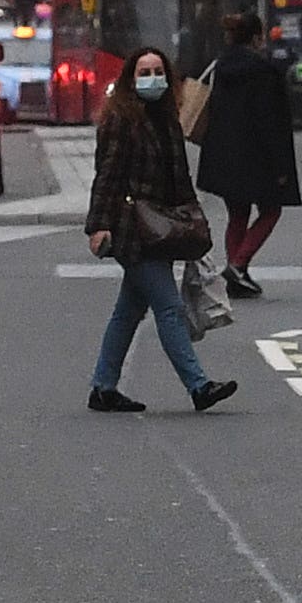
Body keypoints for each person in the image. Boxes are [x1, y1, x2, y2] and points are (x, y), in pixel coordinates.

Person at [81, 44, 238, 413]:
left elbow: (179, 178)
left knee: (129, 310)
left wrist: (194, 222)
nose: (152, 79)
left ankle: (103, 387)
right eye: (143, 73)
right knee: (168, 307)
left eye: (158, 72)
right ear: (129, 79)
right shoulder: (120, 119)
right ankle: (198, 386)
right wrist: (98, 225)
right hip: (131, 227)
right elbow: (108, 175)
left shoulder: (167, 118)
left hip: (161, 229)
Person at [191, 9, 302, 294]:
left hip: (223, 153)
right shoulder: (264, 72)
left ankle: (236, 271)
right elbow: (270, 122)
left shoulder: (220, 66)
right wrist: (280, 166)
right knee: (271, 209)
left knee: (237, 213)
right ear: (256, 38)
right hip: (256, 156)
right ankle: (238, 265)